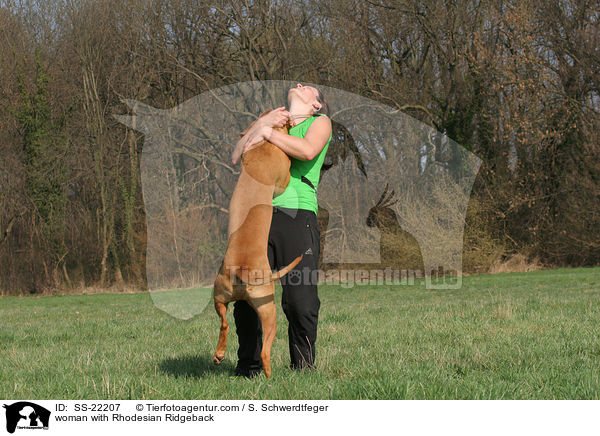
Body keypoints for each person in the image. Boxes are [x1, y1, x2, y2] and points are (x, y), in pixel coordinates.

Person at [230, 83, 332, 377]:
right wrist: (261, 124)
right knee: (248, 294)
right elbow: (238, 155)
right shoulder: (272, 120)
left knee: (300, 300)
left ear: (316, 104)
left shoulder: (319, 122)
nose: (299, 85)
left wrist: (267, 133)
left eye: (307, 88)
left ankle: (303, 368)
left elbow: (307, 150)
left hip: (296, 213)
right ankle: (248, 368)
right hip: (257, 214)